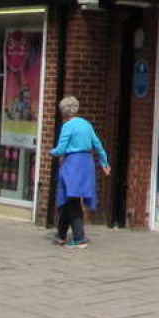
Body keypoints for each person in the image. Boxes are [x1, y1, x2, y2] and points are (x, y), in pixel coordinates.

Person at [50, 95, 110, 248]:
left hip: (73, 163)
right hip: (87, 163)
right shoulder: (86, 124)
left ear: (63, 111)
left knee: (73, 199)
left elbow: (61, 149)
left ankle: (79, 237)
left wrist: (52, 152)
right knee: (69, 198)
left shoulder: (67, 126)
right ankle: (61, 234)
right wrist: (104, 162)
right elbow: (98, 145)